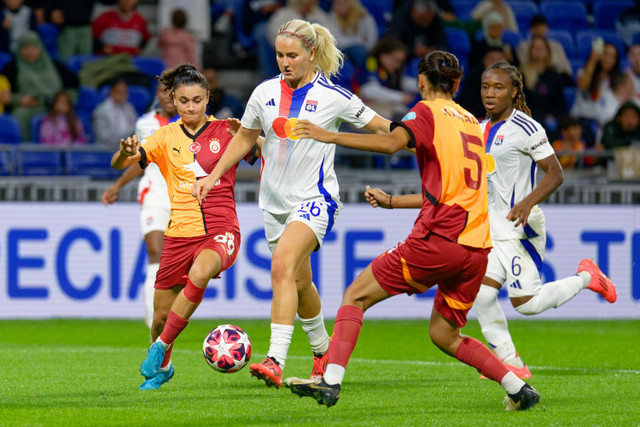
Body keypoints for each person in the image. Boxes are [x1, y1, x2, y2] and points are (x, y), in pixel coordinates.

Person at [282, 50, 539, 411]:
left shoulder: (426, 111)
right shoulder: (470, 121)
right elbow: (449, 191)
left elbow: (390, 143)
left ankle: (330, 381)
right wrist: (392, 202)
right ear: (458, 83)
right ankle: (518, 389)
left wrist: (327, 136)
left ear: (421, 82)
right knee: (444, 334)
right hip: (477, 247)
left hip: (440, 240)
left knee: (355, 295)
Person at [192, 19, 391, 390]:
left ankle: (275, 360)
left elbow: (384, 128)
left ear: (311, 54)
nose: (285, 62)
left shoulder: (335, 96)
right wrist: (213, 175)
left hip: (316, 199)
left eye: (293, 56)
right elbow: (245, 139)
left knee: (281, 265)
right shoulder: (264, 92)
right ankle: (323, 351)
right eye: (280, 55)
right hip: (273, 204)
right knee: (300, 283)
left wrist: (421, 135)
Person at [111, 64, 261, 390]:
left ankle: (160, 347)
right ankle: (163, 366)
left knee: (201, 272)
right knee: (160, 317)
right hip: (179, 234)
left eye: (196, 100)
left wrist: (252, 136)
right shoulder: (164, 136)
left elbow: (266, 153)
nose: (190, 107)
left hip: (221, 229)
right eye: (183, 101)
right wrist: (123, 154)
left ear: (208, 97)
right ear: (174, 101)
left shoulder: (226, 129)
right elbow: (124, 161)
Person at [470, 60, 616, 379]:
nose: (490, 93)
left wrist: (526, 201)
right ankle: (511, 361)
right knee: (480, 295)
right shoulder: (478, 129)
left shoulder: (527, 128)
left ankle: (587, 278)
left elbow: (556, 173)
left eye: (498, 87)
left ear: (513, 91)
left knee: (527, 304)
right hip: (492, 230)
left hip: (521, 229)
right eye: (485, 87)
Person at [101, 82, 177, 332]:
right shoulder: (145, 123)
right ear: (157, 95)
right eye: (164, 91)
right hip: (154, 193)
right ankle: (152, 316)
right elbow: (140, 160)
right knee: (155, 252)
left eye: (173, 92)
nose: (168, 96)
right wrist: (117, 186)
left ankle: (170, 312)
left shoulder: (192, 125)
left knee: (176, 261)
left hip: (182, 198)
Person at [1, 31, 78, 140]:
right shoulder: (11, 68)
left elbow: (73, 85)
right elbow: (4, 96)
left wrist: (65, 100)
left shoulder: (57, 66)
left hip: (54, 106)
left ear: (40, 47)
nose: (30, 51)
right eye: (25, 47)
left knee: (68, 116)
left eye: (33, 47)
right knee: (19, 115)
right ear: (19, 49)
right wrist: (19, 99)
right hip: (28, 108)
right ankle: (25, 151)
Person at [351, 36, 419, 120]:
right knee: (396, 117)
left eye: (400, 62)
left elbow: (403, 81)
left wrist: (424, 85)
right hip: (361, 109)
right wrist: (400, 97)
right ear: (383, 55)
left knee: (409, 114)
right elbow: (370, 91)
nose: (398, 65)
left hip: (382, 106)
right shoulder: (371, 63)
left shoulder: (389, 70)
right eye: (395, 60)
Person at [519, 35, 572, 137]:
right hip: (530, 117)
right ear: (530, 51)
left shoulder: (554, 75)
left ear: (547, 52)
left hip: (551, 117)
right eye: (535, 48)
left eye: (542, 48)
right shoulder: (522, 74)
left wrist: (552, 115)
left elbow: (560, 102)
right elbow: (521, 101)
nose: (538, 51)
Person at [328, 0, 378, 68]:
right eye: (336, 4)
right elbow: (338, 41)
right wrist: (360, 39)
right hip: (343, 51)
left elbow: (371, 43)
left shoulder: (365, 17)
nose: (339, 7)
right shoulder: (332, 17)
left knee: (362, 52)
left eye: (342, 3)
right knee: (358, 51)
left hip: (365, 52)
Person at [93, 79, 138, 147]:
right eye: (118, 92)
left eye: (124, 92)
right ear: (111, 92)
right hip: (107, 149)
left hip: (129, 147)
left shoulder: (130, 108)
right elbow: (103, 137)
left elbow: (136, 128)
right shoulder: (101, 111)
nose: (121, 95)